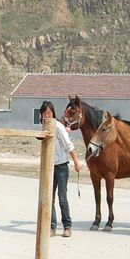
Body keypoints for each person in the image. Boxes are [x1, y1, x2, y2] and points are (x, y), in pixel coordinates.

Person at [39, 100, 82, 237]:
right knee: (48, 198)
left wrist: (76, 162)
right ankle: (52, 227)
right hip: (49, 167)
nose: (47, 116)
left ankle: (67, 226)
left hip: (61, 167)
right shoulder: (44, 128)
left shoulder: (58, 127)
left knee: (62, 198)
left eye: (49, 113)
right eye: (45, 114)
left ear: (53, 113)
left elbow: (68, 145)